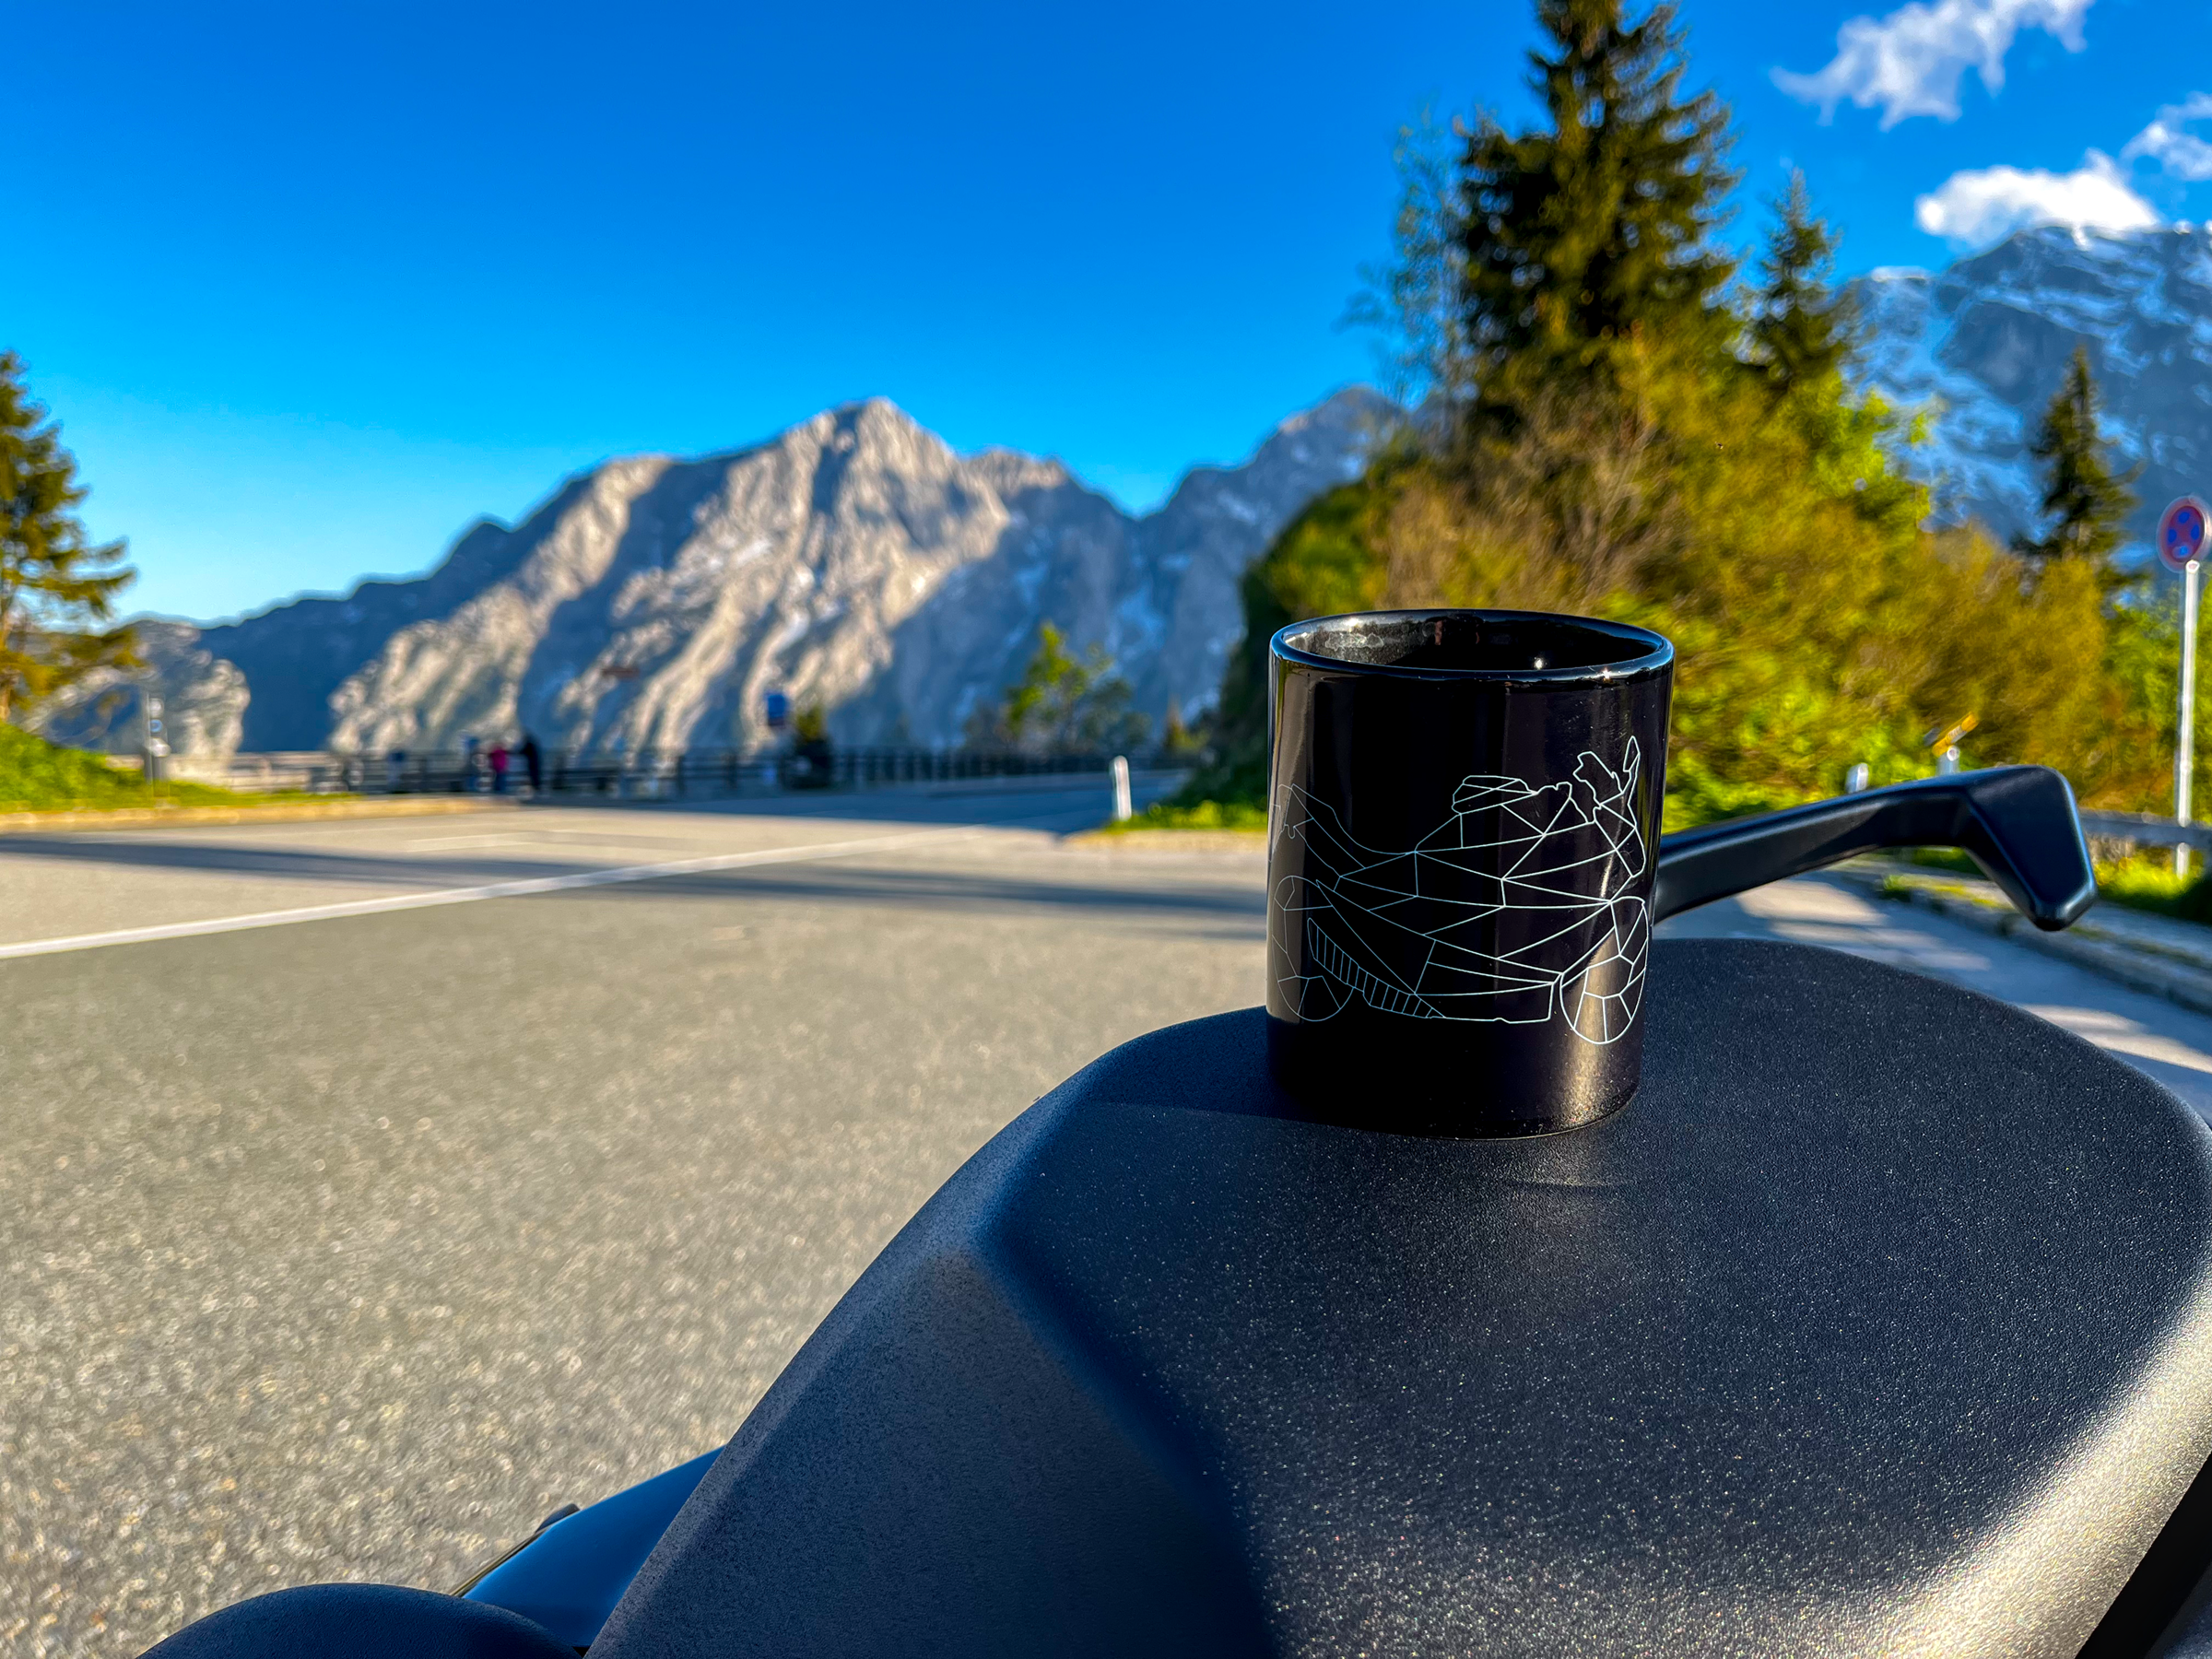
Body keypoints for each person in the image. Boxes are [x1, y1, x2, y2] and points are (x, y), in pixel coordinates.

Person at [519, 730, 544, 796]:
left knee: (533, 775)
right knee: (535, 775)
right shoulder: (533, 744)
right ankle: (537, 787)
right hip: (535, 762)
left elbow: (523, 751)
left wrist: (515, 752)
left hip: (532, 763)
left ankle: (536, 787)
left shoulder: (529, 745)